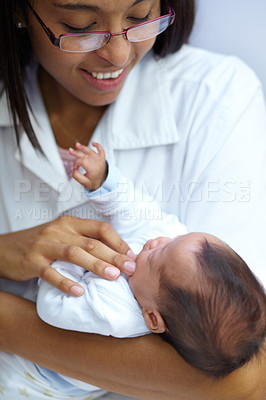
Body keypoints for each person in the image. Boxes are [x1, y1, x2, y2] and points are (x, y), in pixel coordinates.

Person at [0, 0, 266, 399]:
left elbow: (242, 379)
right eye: (81, 25)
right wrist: (106, 182)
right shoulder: (163, 248)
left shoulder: (216, 95)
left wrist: (51, 281)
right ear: (19, 11)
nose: (119, 54)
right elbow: (142, 215)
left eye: (141, 18)